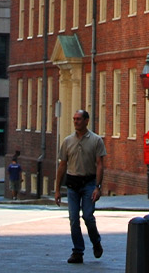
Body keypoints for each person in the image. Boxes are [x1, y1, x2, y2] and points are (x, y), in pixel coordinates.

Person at [54, 109, 105, 265]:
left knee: (88, 217)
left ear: (86, 121)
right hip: (72, 184)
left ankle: (96, 242)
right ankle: (78, 251)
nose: (76, 122)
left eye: (79, 119)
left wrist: (98, 187)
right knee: (73, 219)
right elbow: (62, 165)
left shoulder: (96, 140)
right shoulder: (67, 141)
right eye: (74, 119)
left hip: (89, 183)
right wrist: (57, 189)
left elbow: (100, 165)